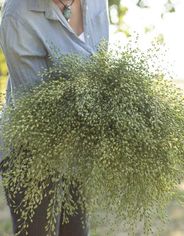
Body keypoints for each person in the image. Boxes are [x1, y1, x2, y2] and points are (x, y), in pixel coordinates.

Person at [0, 0, 110, 235]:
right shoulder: (18, 13)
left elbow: (100, 67)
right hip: (30, 152)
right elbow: (37, 107)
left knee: (76, 231)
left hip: (78, 148)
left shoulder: (96, 3)